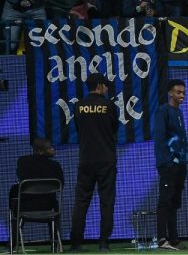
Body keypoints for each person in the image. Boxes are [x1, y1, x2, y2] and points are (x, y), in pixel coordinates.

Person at [69, 73, 118, 252]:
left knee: (81, 201)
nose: (106, 88)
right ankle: (104, 242)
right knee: (107, 201)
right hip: (106, 160)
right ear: (99, 86)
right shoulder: (109, 105)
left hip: (86, 159)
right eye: (105, 85)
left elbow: (78, 129)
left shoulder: (78, 106)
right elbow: (114, 128)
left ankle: (75, 244)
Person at [9, 137, 64, 252]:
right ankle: (55, 245)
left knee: (14, 202)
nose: (53, 150)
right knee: (55, 204)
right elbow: (61, 185)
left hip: (24, 207)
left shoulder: (22, 162)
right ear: (40, 151)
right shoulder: (55, 166)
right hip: (49, 207)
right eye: (50, 148)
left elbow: (21, 178)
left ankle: (14, 245)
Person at [153, 79, 188, 251]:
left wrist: (183, 159)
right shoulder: (163, 111)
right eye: (178, 92)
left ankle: (173, 239)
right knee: (165, 200)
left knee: (174, 201)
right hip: (168, 165)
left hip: (181, 163)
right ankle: (162, 239)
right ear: (170, 93)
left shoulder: (179, 112)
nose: (181, 95)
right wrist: (168, 160)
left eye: (183, 92)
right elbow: (160, 138)